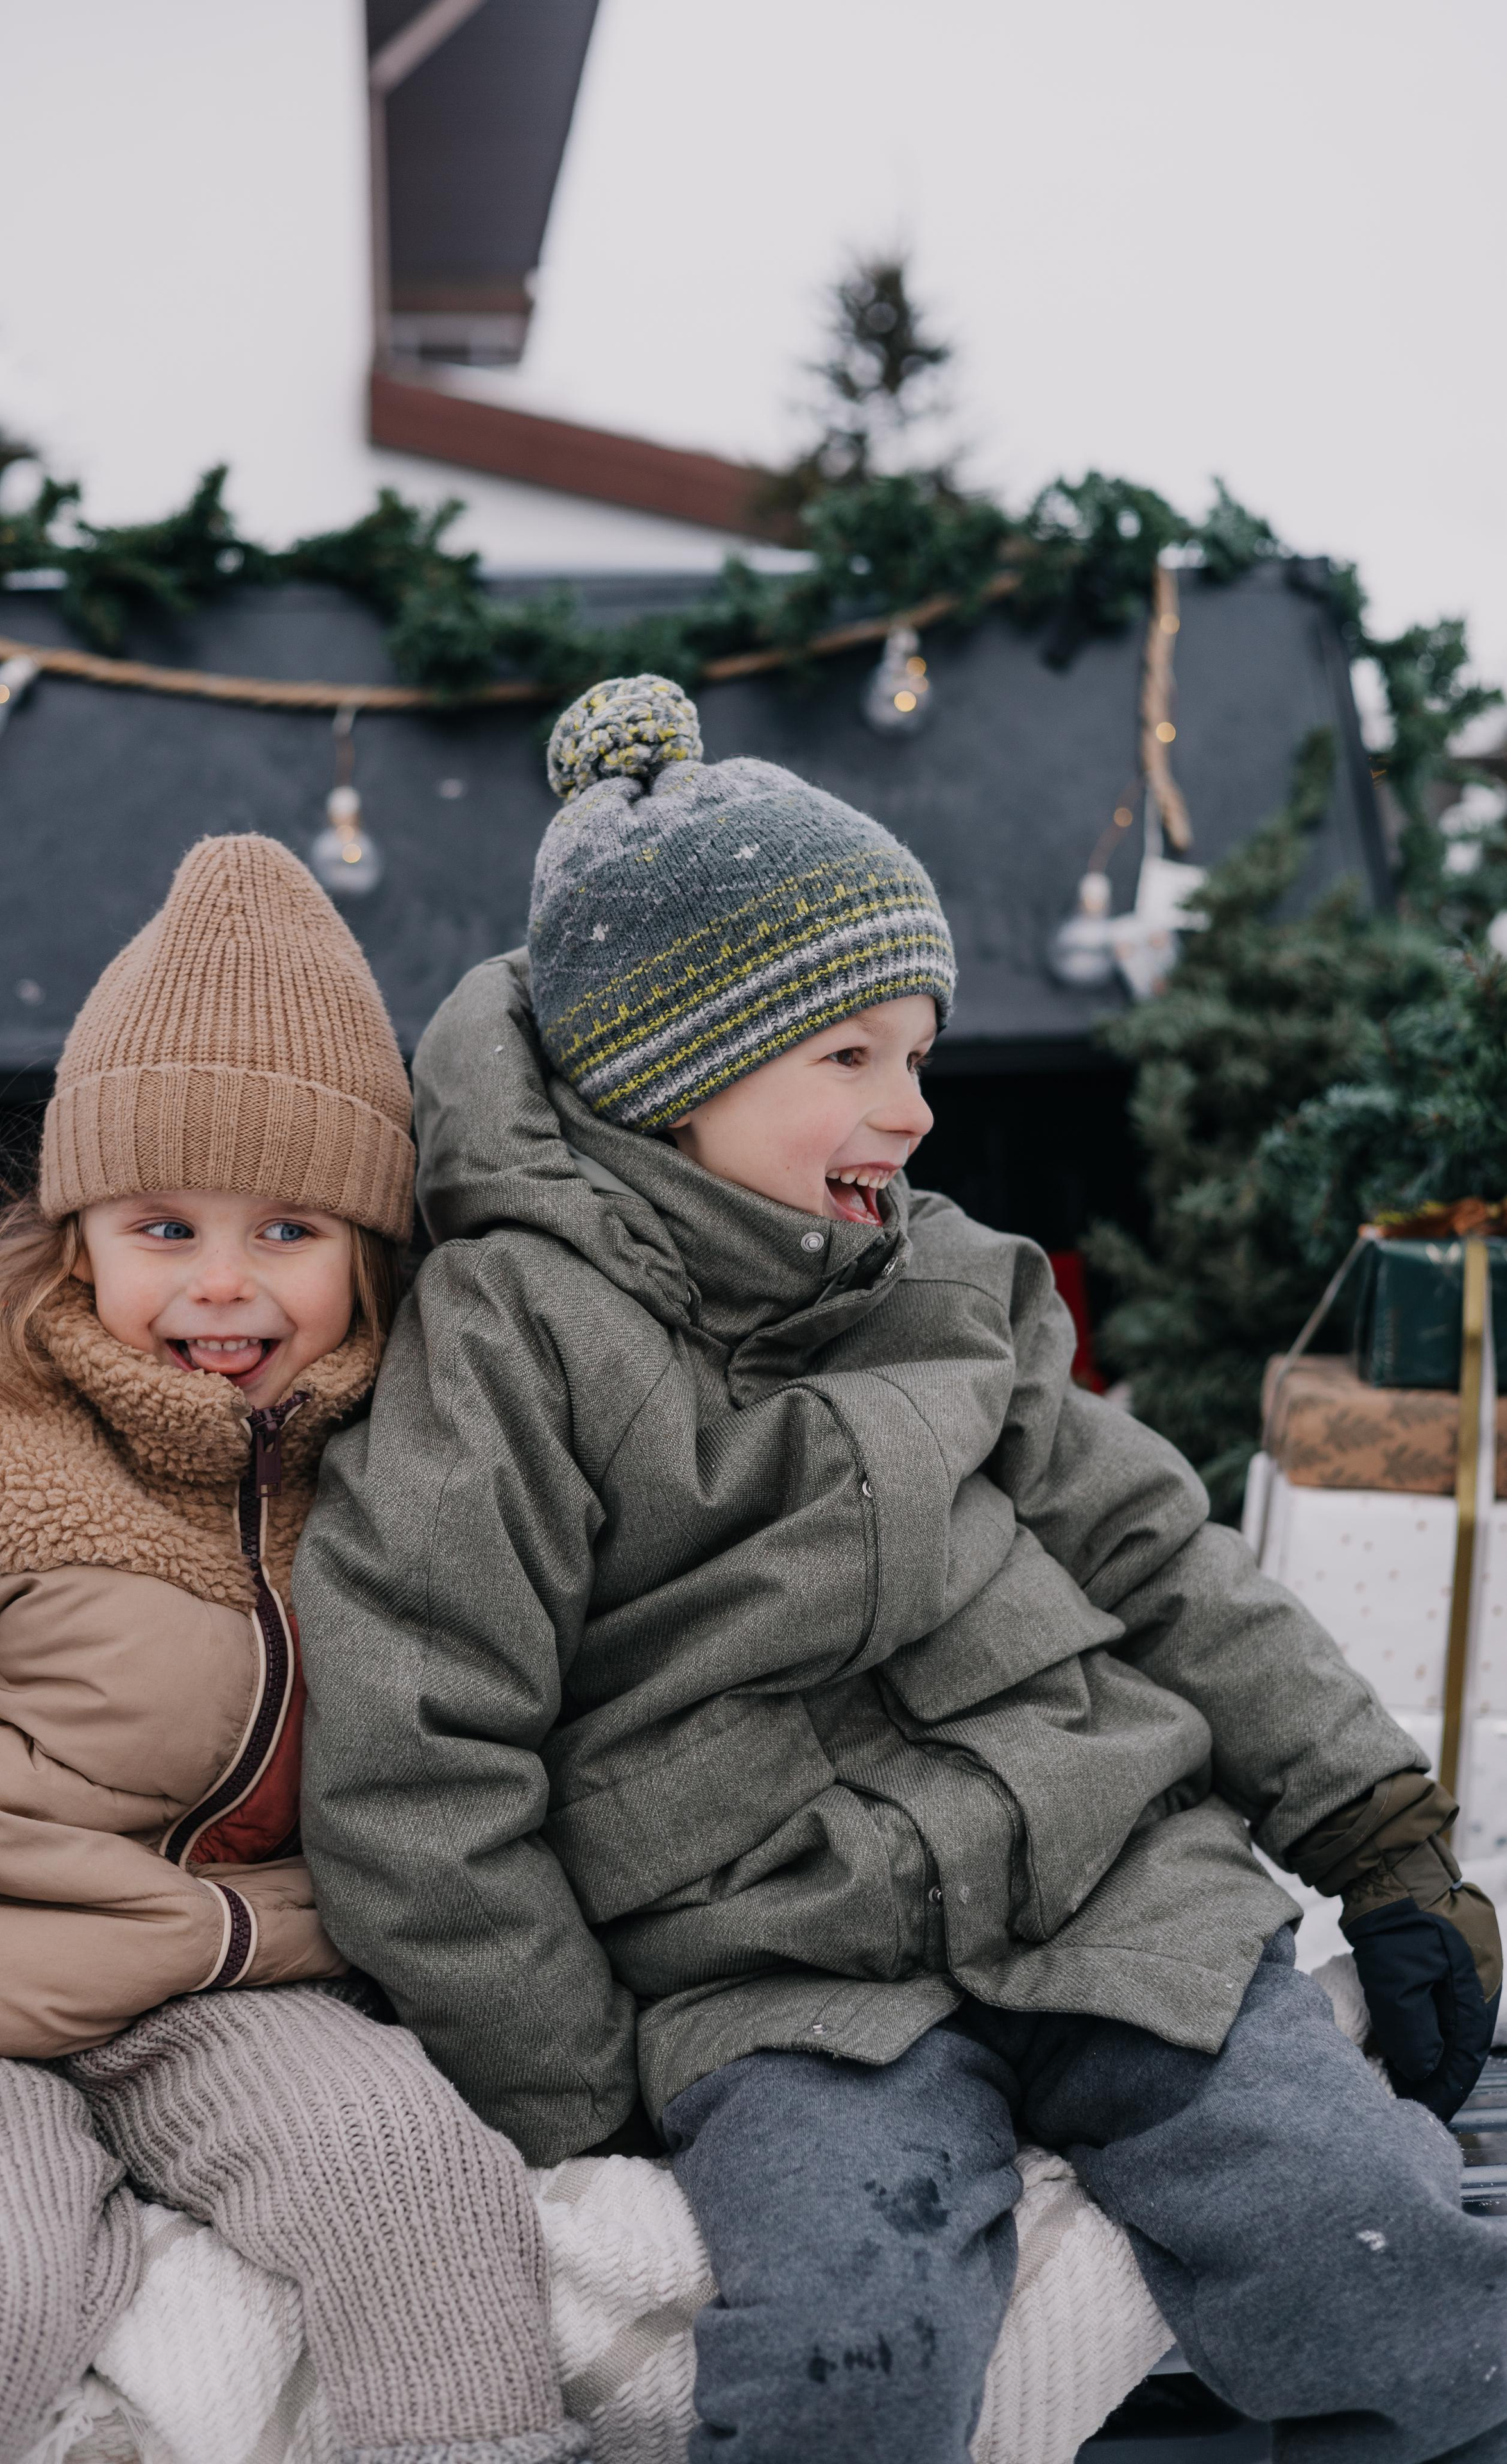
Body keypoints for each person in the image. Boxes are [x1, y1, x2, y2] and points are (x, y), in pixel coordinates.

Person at [296, 675, 1507, 2464]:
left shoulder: (949, 1280)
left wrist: (1377, 1835)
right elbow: (420, 1737)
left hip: (1114, 1883)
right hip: (777, 1970)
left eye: (921, 1055)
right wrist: (571, 2086)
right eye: (849, 1058)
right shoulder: (515, 1339)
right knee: (847, 2368)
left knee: (1382, 2258)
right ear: (673, 1072)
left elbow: (1163, 1553)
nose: (915, 1109)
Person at [0, 835, 584, 2464]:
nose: (222, 1287)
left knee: (426, 2199)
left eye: (289, 1232)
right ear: (77, 1236)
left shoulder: (422, 1448)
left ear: (371, 1251)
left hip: (251, 1981)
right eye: (164, 1227)